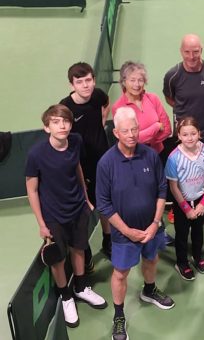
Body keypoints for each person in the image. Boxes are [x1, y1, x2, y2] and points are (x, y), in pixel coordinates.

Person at [25, 104, 107, 328]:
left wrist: (86, 198)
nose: (62, 126)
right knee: (59, 260)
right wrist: (41, 223)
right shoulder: (36, 155)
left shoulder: (76, 141)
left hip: (78, 208)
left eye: (65, 121)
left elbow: (78, 168)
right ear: (46, 127)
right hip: (54, 215)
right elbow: (31, 190)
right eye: (55, 122)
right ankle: (66, 297)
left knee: (79, 248)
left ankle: (81, 288)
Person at [96, 107, 174, 340]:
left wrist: (155, 223)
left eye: (134, 129)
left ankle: (149, 290)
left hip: (151, 227)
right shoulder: (106, 163)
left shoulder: (150, 155)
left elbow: (162, 189)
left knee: (151, 259)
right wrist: (127, 231)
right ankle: (119, 315)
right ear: (116, 133)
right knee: (121, 273)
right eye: (125, 131)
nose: (131, 134)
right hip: (124, 234)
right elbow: (104, 204)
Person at [60, 62, 112, 260]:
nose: (85, 85)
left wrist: (100, 122)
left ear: (94, 80)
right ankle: (86, 252)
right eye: (79, 82)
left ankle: (108, 240)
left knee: (105, 203)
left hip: (103, 160)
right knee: (84, 209)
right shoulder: (66, 107)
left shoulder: (98, 95)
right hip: (80, 166)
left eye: (88, 80)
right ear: (72, 85)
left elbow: (106, 103)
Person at [165, 117, 204, 280]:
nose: (190, 138)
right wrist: (186, 209)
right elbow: (173, 186)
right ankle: (181, 263)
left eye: (193, 133)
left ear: (199, 133)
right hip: (182, 204)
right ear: (179, 136)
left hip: (201, 201)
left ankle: (197, 256)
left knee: (198, 232)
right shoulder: (173, 157)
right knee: (181, 234)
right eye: (185, 134)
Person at [163, 34, 204, 149]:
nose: (191, 56)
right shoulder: (172, 76)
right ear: (181, 51)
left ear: (201, 50)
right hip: (184, 137)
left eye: (196, 52)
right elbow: (170, 99)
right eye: (187, 52)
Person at [112, 61, 171, 155]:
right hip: (136, 156)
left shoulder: (153, 99)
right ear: (124, 82)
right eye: (132, 80)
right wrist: (155, 127)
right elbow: (128, 138)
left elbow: (167, 129)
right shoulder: (118, 107)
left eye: (140, 80)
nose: (137, 84)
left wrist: (144, 140)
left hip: (158, 154)